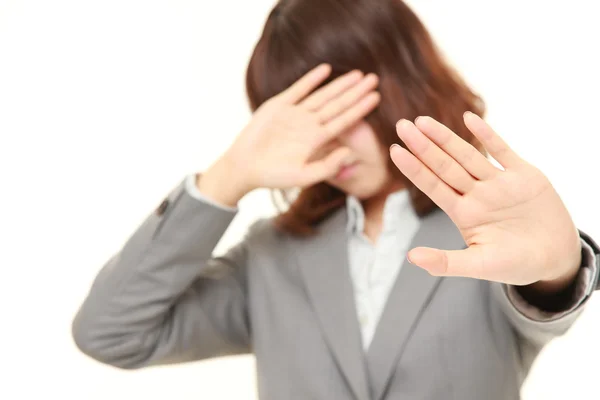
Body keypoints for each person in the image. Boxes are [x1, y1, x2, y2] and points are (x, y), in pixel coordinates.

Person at [72, 0, 600, 399]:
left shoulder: (486, 236)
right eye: (302, 117)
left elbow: (544, 287)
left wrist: (558, 267)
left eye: (337, 107)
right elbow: (110, 332)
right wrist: (227, 176)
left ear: (401, 79)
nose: (327, 139)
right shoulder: (271, 256)